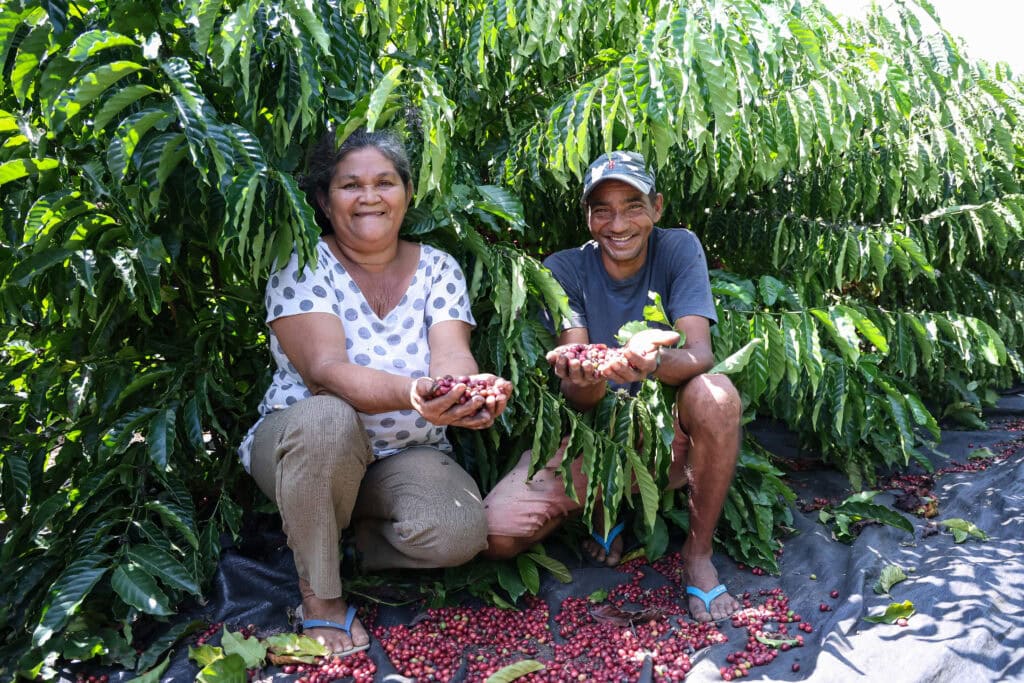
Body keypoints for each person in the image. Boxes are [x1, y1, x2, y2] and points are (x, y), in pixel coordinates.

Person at [237, 128, 512, 655]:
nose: (370, 197)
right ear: (324, 201)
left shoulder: (438, 268)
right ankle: (321, 598)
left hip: (403, 453)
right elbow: (325, 372)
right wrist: (416, 392)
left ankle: (345, 540)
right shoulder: (303, 262)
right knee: (326, 418)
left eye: (385, 182)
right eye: (350, 185)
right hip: (306, 447)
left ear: (407, 193)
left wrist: (467, 392)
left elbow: (451, 353)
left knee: (457, 531)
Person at [483, 150, 742, 623]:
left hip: (666, 436)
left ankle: (697, 554)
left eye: (632, 206)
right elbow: (579, 394)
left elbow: (699, 354)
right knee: (497, 534)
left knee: (717, 394)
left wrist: (652, 362)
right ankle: (604, 505)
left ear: (657, 207)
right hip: (594, 437)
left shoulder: (679, 248)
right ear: (587, 216)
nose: (618, 224)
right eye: (602, 210)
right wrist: (590, 373)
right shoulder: (564, 269)